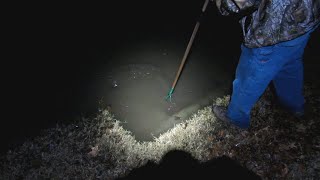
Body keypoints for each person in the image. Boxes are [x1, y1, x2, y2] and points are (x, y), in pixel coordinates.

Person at [211, 0, 320, 129]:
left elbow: (238, 3)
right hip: (306, 16)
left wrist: (221, 3)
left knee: (250, 76)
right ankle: (295, 106)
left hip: (273, 29)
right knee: (289, 64)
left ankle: (235, 118)